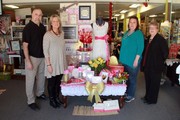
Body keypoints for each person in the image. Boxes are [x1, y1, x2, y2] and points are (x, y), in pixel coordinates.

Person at [22, 8, 46, 111]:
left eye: (40, 15)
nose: (38, 17)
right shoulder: (28, 28)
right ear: (32, 15)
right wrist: (28, 61)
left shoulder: (42, 27)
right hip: (32, 57)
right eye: (36, 14)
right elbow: (25, 46)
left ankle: (39, 93)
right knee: (30, 80)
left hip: (42, 57)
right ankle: (31, 101)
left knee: (41, 77)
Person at [141, 20, 168, 104]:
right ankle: (147, 96)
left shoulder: (161, 39)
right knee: (148, 82)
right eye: (150, 28)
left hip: (156, 67)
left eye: (153, 28)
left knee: (154, 84)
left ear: (157, 29)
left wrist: (158, 61)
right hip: (147, 65)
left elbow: (165, 53)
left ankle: (152, 100)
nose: (151, 29)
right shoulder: (148, 38)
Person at [43, 14, 67, 108]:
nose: (56, 23)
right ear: (51, 23)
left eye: (57, 21)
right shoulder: (47, 35)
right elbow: (45, 51)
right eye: (54, 21)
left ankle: (57, 98)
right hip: (52, 63)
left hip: (60, 62)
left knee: (58, 82)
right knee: (51, 83)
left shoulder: (62, 34)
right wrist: (48, 65)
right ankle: (52, 100)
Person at [119, 16, 144, 102]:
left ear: (137, 24)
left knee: (132, 79)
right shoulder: (126, 33)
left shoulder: (138, 33)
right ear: (128, 23)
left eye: (134, 22)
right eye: (131, 22)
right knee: (125, 78)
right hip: (124, 60)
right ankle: (126, 92)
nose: (132, 24)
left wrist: (136, 60)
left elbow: (140, 48)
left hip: (132, 61)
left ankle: (131, 95)